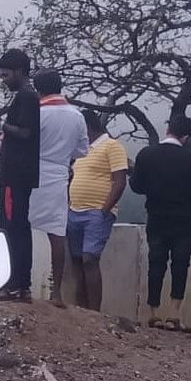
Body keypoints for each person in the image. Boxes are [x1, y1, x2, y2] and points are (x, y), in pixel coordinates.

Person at [129, 115, 191, 332]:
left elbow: (136, 186)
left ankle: (153, 313)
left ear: (168, 130)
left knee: (156, 263)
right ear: (185, 136)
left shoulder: (147, 154)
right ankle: (174, 314)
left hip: (157, 216)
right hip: (185, 219)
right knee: (180, 264)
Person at [0, 49, 40, 302]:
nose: (3, 80)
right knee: (20, 228)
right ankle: (22, 284)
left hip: (15, 174)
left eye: (5, 74)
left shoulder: (25, 97)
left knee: (12, 228)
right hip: (22, 173)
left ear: (19, 72)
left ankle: (13, 285)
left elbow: (24, 133)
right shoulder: (27, 98)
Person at [27, 70, 88, 307]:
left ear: (38, 89)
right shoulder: (76, 115)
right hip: (60, 174)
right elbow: (82, 150)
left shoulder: (37, 113)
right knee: (57, 234)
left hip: (32, 172)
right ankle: (57, 293)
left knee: (22, 228)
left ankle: (19, 284)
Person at [67, 110, 128, 312]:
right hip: (75, 210)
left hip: (97, 211)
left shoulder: (112, 146)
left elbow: (119, 182)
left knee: (89, 259)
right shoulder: (82, 151)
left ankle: (94, 312)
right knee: (76, 260)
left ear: (87, 126)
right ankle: (80, 309)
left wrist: (104, 210)